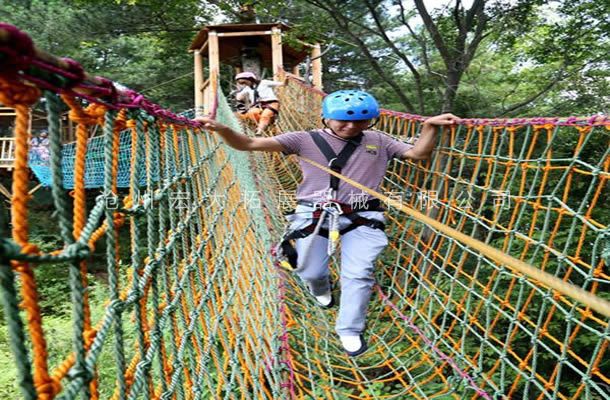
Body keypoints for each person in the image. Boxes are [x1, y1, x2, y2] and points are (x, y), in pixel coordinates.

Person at [196, 90, 460, 356]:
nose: (352, 126)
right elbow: (249, 144)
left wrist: (429, 127)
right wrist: (222, 129)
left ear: (371, 120)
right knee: (309, 271)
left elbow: (417, 154)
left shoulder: (379, 141)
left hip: (363, 215)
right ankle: (320, 286)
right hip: (314, 212)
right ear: (325, 117)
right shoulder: (303, 139)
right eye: (343, 121)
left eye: (361, 121)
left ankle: (350, 329)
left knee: (359, 273)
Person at [233, 71, 284, 136]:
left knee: (265, 115)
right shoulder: (248, 88)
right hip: (258, 105)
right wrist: (239, 97)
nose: (244, 84)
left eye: (244, 82)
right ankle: (267, 128)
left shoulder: (264, 83)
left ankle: (259, 132)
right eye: (241, 83)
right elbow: (239, 96)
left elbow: (281, 84)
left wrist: (286, 79)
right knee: (252, 113)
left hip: (271, 103)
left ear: (250, 79)